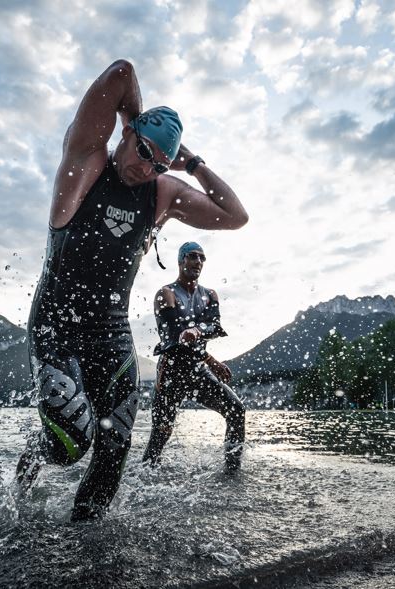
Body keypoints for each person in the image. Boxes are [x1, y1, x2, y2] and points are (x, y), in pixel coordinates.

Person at [15, 59, 248, 521]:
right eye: (142, 152)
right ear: (126, 135)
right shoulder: (86, 162)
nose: (146, 167)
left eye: (158, 162)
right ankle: (32, 460)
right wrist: (131, 122)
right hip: (57, 323)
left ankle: (88, 545)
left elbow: (234, 215)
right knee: (70, 444)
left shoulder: (161, 194)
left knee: (116, 439)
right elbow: (121, 73)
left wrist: (194, 164)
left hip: (111, 330)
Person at [142, 242, 245, 472]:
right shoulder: (165, 294)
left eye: (202, 258)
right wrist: (207, 355)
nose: (198, 262)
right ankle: (144, 480)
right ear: (180, 261)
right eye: (192, 256)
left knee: (236, 410)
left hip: (198, 370)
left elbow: (214, 327)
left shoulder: (209, 295)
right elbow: (173, 339)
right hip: (171, 372)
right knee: (160, 436)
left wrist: (200, 337)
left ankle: (232, 472)